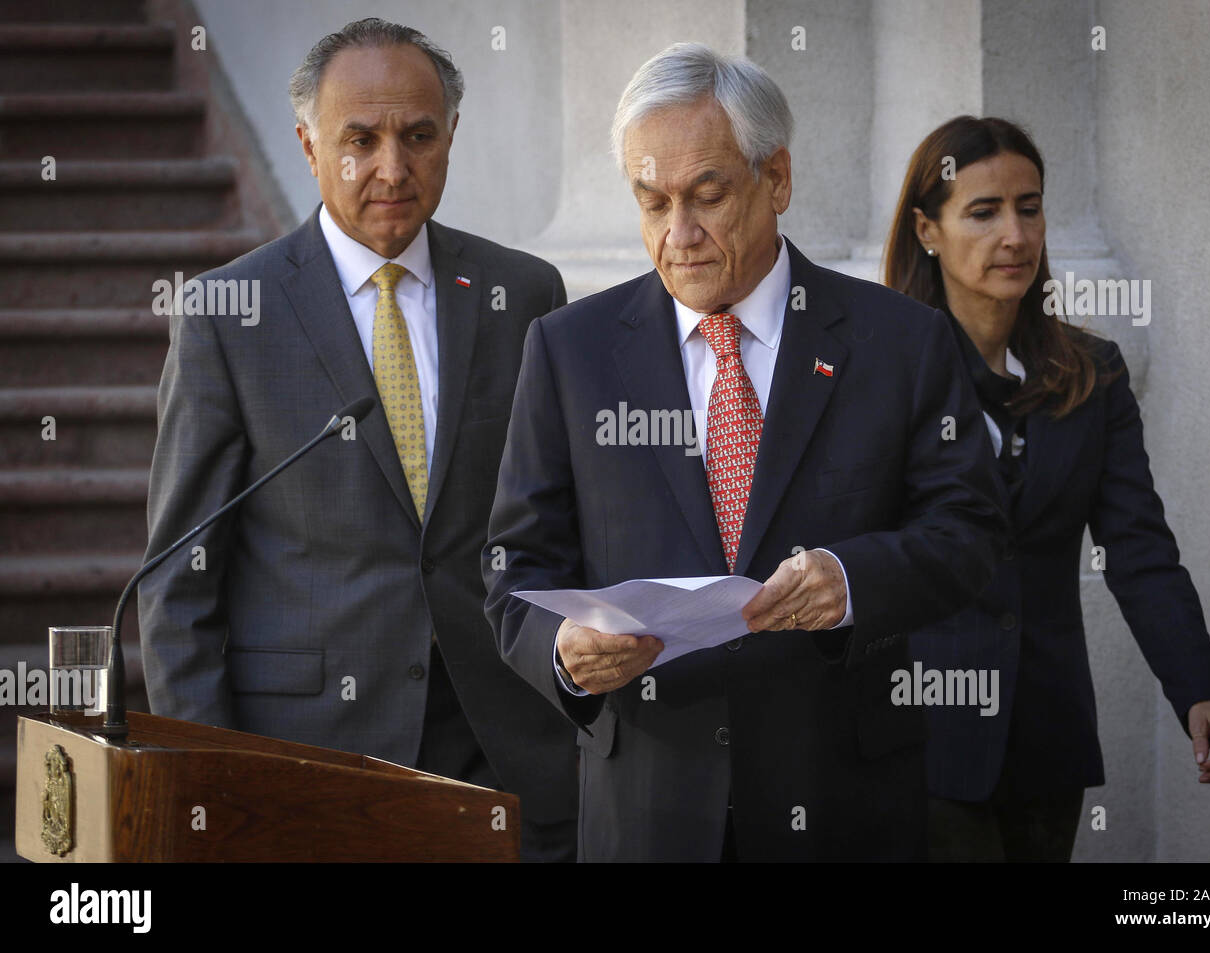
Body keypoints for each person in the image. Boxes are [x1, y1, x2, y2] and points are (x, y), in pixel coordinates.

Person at [482, 44, 1007, 862]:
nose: (678, 235)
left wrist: (850, 578)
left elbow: (970, 531)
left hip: (843, 805)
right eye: (651, 203)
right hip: (649, 815)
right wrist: (567, 655)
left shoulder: (898, 341)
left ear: (778, 179)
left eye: (707, 196)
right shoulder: (569, 351)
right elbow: (515, 573)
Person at [139, 18, 578, 862]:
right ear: (308, 146)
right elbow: (178, 582)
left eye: (418, 136)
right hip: (309, 761)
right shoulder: (229, 315)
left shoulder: (521, 291)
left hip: (504, 752)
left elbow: (557, 522)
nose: (392, 167)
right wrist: (212, 784)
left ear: (451, 138)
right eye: (360, 138)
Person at [883, 115, 1210, 862]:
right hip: (916, 742)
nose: (1015, 235)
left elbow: (1139, 550)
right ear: (928, 229)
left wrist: (1200, 688)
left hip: (1048, 741)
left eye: (1029, 206)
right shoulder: (880, 377)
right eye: (983, 212)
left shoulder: (1093, 373)